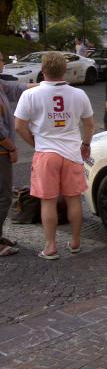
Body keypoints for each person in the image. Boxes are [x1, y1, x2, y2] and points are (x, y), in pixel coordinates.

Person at [14, 52, 95, 261]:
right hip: (71, 152)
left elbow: (19, 126)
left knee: (47, 202)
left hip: (46, 153)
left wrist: (35, 142)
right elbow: (89, 123)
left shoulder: (31, 95)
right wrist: (86, 144)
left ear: (43, 70)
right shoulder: (79, 94)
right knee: (74, 200)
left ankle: (50, 247)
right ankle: (75, 242)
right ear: (64, 70)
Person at [0, 52, 36, 257]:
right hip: (1, 150)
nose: (4, 63)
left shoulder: (1, 85)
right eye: (1, 59)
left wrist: (48, 84)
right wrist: (11, 149)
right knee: (3, 197)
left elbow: (17, 89)